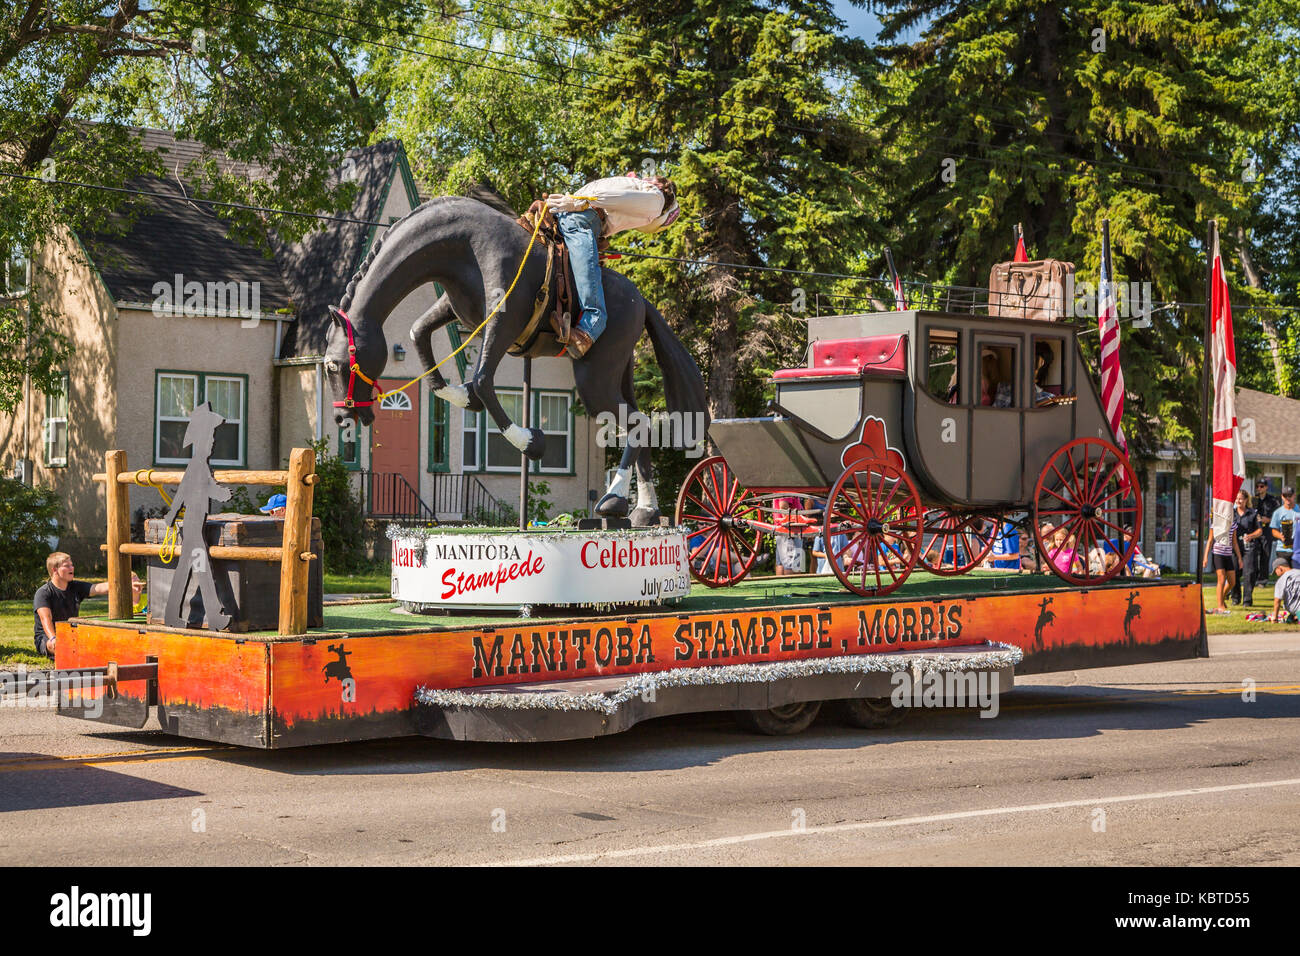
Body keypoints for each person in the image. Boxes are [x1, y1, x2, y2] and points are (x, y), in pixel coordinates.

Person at [544, 173, 681, 358]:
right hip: (573, 213)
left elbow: (615, 196)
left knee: (587, 271)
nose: (647, 178)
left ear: (662, 187)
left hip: (579, 219)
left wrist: (580, 202)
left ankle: (591, 326)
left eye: (653, 179)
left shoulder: (656, 198)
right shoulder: (644, 192)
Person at [34, 552, 142, 659]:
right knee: (61, 647)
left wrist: (126, 585)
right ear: (54, 570)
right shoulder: (43, 592)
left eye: (72, 565)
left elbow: (99, 588)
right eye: (67, 566)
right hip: (46, 638)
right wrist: (53, 638)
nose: (72, 568)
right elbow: (45, 619)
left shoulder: (75, 586)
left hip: (71, 634)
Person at [1202, 511, 1242, 615]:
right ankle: (1220, 606)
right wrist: (1205, 557)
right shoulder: (1215, 524)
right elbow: (1210, 540)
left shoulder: (1233, 525)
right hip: (1218, 554)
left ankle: (1221, 599)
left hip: (1228, 555)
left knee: (1232, 581)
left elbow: (1234, 542)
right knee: (1221, 579)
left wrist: (1239, 558)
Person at [1230, 488, 1263, 605]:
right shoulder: (1231, 513)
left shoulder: (1253, 513)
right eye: (1237, 499)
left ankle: (1247, 600)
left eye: (1241, 499)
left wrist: (1251, 536)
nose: (1238, 501)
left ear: (1246, 500)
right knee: (1233, 572)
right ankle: (1235, 597)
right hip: (1234, 547)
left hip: (1249, 547)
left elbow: (1260, 531)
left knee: (1249, 573)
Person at [1269, 487, 1300, 570]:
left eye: (1290, 495)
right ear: (1282, 496)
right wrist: (1280, 536)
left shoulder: (1299, 510)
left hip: (1297, 550)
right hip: (1282, 549)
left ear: (1294, 495)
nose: (1287, 498)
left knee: (1297, 575)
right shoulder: (1277, 512)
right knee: (1284, 576)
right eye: (1285, 495)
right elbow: (1274, 530)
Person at [1254, 478, 1280, 572]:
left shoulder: (1272, 500)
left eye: (1261, 486)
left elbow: (1277, 515)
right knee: (1254, 554)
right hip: (1255, 530)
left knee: (1265, 554)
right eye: (1257, 486)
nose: (1259, 488)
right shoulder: (1254, 499)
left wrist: (1268, 520)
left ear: (1266, 487)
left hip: (1267, 531)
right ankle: (1255, 577)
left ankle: (1263, 580)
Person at [1269, 558, 1300, 623]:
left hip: (1297, 610)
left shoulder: (1281, 580)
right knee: (1290, 619)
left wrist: (1275, 617)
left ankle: (1296, 617)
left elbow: (1277, 601)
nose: (1276, 573)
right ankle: (1294, 617)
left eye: (1275, 570)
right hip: (1296, 611)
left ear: (1280, 568)